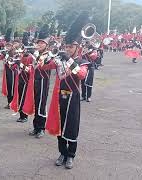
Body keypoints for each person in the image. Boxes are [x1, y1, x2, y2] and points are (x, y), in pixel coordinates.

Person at [43, 11, 89, 169]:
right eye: (67, 47)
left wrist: (69, 60)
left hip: (73, 98)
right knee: (60, 125)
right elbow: (44, 66)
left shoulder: (82, 62)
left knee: (72, 126)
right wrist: (47, 56)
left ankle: (71, 155)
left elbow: (82, 75)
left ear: (77, 47)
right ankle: (62, 152)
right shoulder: (60, 59)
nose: (68, 49)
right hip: (59, 98)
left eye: (71, 47)